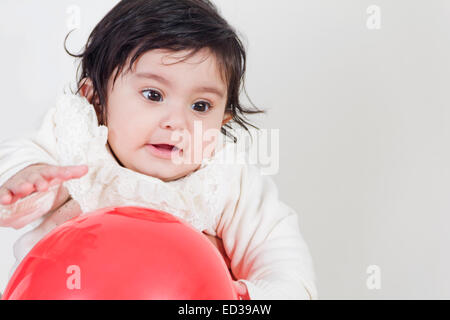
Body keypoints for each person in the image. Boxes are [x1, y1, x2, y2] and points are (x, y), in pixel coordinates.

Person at [0, 0, 317, 300]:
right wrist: (26, 178)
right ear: (95, 99)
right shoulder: (76, 147)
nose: (177, 122)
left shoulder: (228, 180)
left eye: (200, 105)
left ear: (222, 121)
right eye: (153, 95)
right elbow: (21, 176)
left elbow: (282, 259)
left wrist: (239, 294)